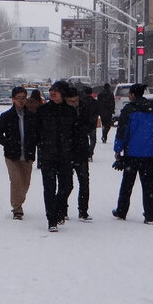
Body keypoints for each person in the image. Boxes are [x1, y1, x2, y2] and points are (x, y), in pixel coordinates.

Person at [35, 81, 80, 232]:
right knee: (49, 187)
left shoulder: (71, 112)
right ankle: (51, 219)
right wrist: (39, 147)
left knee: (67, 186)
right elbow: (36, 132)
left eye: (56, 91)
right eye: (51, 90)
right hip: (48, 155)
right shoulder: (43, 110)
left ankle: (59, 208)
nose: (53, 93)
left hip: (66, 156)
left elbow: (76, 135)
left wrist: (77, 153)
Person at [112, 83, 153, 224]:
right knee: (148, 186)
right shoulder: (151, 109)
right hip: (148, 153)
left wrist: (117, 149)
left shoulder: (129, 110)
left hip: (132, 153)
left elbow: (122, 131)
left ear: (132, 94)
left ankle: (121, 210)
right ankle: (150, 215)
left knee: (127, 183)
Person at [0, 86, 37, 220]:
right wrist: (8, 143)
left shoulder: (31, 116)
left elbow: (37, 133)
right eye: (18, 98)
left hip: (27, 154)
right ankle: (17, 208)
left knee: (25, 182)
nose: (21, 101)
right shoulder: (6, 116)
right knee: (16, 180)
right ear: (13, 100)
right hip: (12, 155)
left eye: (24, 98)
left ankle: (19, 201)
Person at [65, 82, 97, 221]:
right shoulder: (62, 111)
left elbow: (91, 123)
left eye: (75, 101)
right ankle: (62, 209)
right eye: (70, 101)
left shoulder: (84, 108)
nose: (73, 103)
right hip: (66, 152)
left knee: (84, 181)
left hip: (81, 150)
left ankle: (83, 211)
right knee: (66, 183)